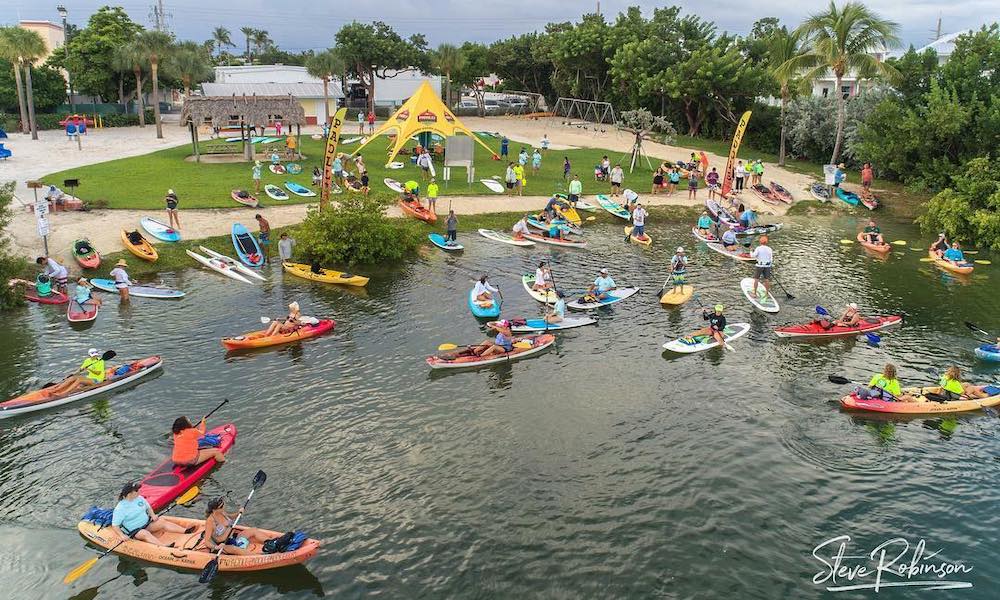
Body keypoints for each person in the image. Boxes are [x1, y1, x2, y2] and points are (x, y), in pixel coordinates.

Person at [111, 481, 188, 546]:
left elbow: (148, 507)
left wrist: (153, 515)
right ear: (129, 494)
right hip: (135, 531)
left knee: (162, 521)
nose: (139, 491)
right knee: (145, 533)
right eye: (137, 490)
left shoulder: (139, 498)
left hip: (147, 524)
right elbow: (115, 525)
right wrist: (122, 535)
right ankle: (163, 546)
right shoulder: (120, 508)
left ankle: (186, 531)